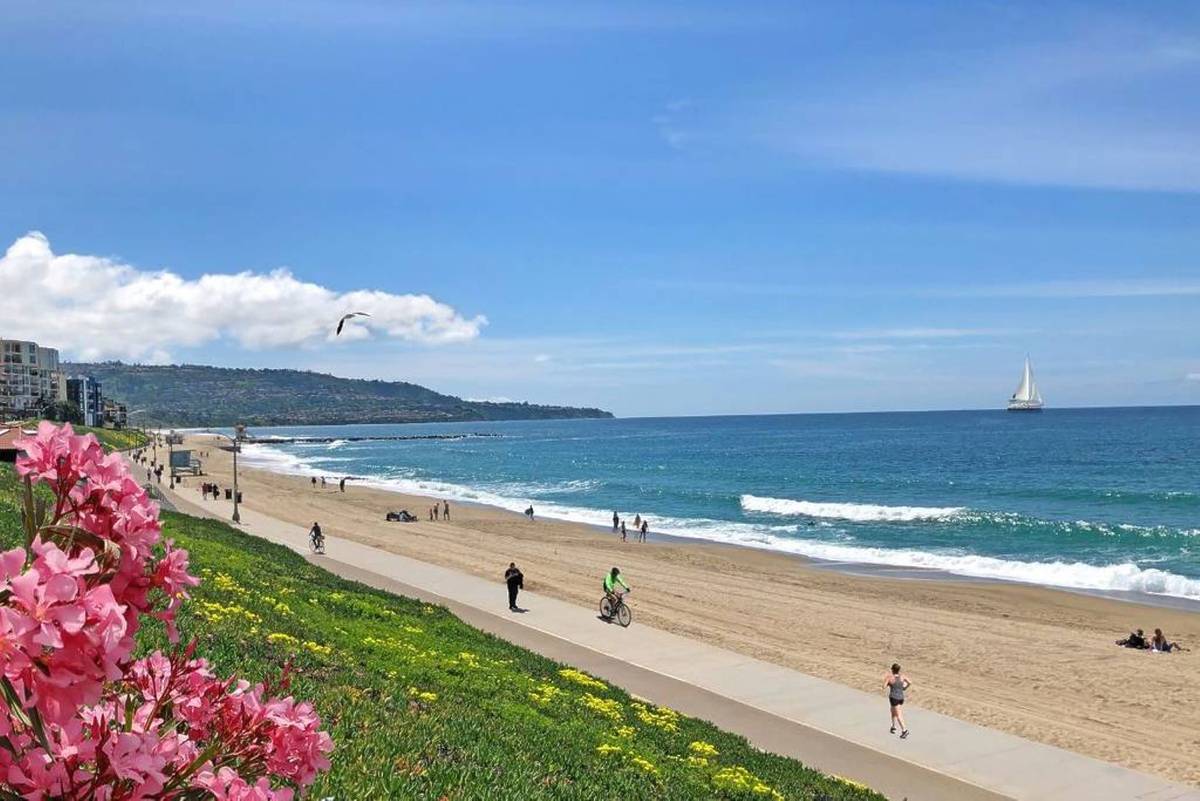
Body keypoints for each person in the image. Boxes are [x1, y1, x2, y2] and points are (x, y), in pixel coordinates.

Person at [884, 663, 911, 738]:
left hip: (894, 698)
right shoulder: (902, 676)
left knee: (898, 714)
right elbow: (910, 682)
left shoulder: (890, 678)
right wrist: (904, 687)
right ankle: (893, 726)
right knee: (892, 711)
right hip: (901, 697)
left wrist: (888, 682)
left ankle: (904, 730)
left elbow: (884, 686)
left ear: (892, 669)